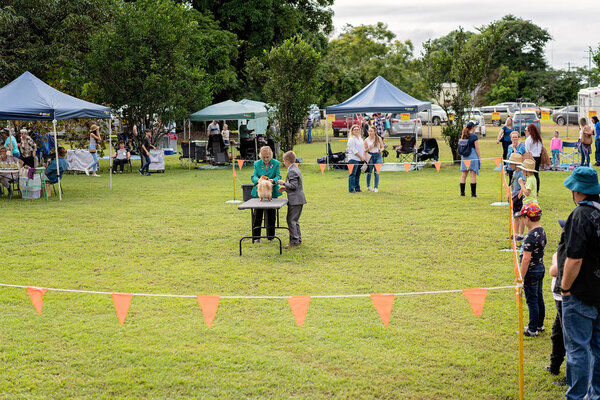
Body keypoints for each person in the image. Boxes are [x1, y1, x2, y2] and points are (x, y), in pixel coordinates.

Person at [555, 167, 600, 399]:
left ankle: (576, 396)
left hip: (580, 294)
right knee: (598, 349)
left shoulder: (580, 216)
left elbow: (574, 259)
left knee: (577, 350)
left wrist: (565, 288)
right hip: (598, 292)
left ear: (578, 191)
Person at [518, 202, 547, 336]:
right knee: (539, 297)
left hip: (531, 271)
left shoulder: (530, 236)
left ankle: (532, 329)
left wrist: (521, 277)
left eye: (523, 218)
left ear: (527, 218)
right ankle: (540, 324)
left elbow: (526, 259)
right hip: (540, 268)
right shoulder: (542, 231)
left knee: (532, 300)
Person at [250, 146, 281, 243]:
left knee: (271, 214)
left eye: (267, 157)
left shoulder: (276, 163)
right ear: (260, 156)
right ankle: (256, 238)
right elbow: (253, 176)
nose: (266, 159)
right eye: (263, 157)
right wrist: (258, 181)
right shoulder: (257, 164)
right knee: (258, 214)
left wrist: (273, 180)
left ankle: (271, 236)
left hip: (271, 192)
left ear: (271, 155)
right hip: (259, 192)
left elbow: (278, 176)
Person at [277, 151, 306, 248]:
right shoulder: (295, 168)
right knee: (294, 220)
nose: (283, 163)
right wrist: (285, 189)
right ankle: (298, 238)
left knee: (291, 220)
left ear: (286, 161)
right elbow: (295, 185)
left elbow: (293, 185)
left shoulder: (292, 171)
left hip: (295, 199)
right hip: (298, 198)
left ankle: (294, 241)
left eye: (284, 161)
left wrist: (283, 183)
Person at [545, 249, 566, 383]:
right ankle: (554, 366)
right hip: (561, 299)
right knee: (557, 334)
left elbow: (554, 270)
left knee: (569, 338)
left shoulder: (574, 243)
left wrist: (555, 260)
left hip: (566, 300)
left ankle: (571, 377)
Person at [504, 153, 525, 241]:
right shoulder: (514, 172)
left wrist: (519, 197)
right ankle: (515, 233)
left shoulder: (521, 173)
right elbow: (512, 184)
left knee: (520, 216)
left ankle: (521, 234)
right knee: (515, 216)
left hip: (519, 197)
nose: (509, 165)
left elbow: (523, 186)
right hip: (514, 196)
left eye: (511, 163)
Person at [459, 121, 481, 197]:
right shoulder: (474, 136)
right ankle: (473, 194)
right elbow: (477, 148)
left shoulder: (463, 135)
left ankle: (462, 193)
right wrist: (479, 157)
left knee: (463, 175)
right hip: (472, 156)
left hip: (465, 157)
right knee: (473, 175)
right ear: (473, 127)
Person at [364, 126, 384, 192]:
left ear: (375, 132)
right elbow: (365, 150)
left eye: (371, 131)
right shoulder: (366, 140)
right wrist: (369, 148)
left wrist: (380, 150)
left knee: (376, 172)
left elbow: (382, 147)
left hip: (378, 155)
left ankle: (376, 187)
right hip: (370, 156)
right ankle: (368, 186)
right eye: (369, 131)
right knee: (369, 172)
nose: (370, 132)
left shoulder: (378, 138)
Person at [524, 123, 543, 194]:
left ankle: (532, 189)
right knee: (536, 174)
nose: (525, 132)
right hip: (538, 157)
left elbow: (528, 152)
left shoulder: (528, 140)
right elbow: (541, 149)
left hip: (532, 157)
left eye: (526, 130)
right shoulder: (538, 139)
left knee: (531, 175)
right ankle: (536, 190)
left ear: (530, 131)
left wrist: (531, 159)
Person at [347, 124, 365, 193]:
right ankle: (351, 189)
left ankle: (357, 188)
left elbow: (362, 148)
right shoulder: (351, 139)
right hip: (353, 159)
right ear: (352, 131)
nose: (356, 131)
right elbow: (354, 150)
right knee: (352, 174)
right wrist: (361, 156)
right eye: (355, 130)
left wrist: (363, 156)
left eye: (358, 129)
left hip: (360, 159)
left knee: (358, 174)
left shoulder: (360, 138)